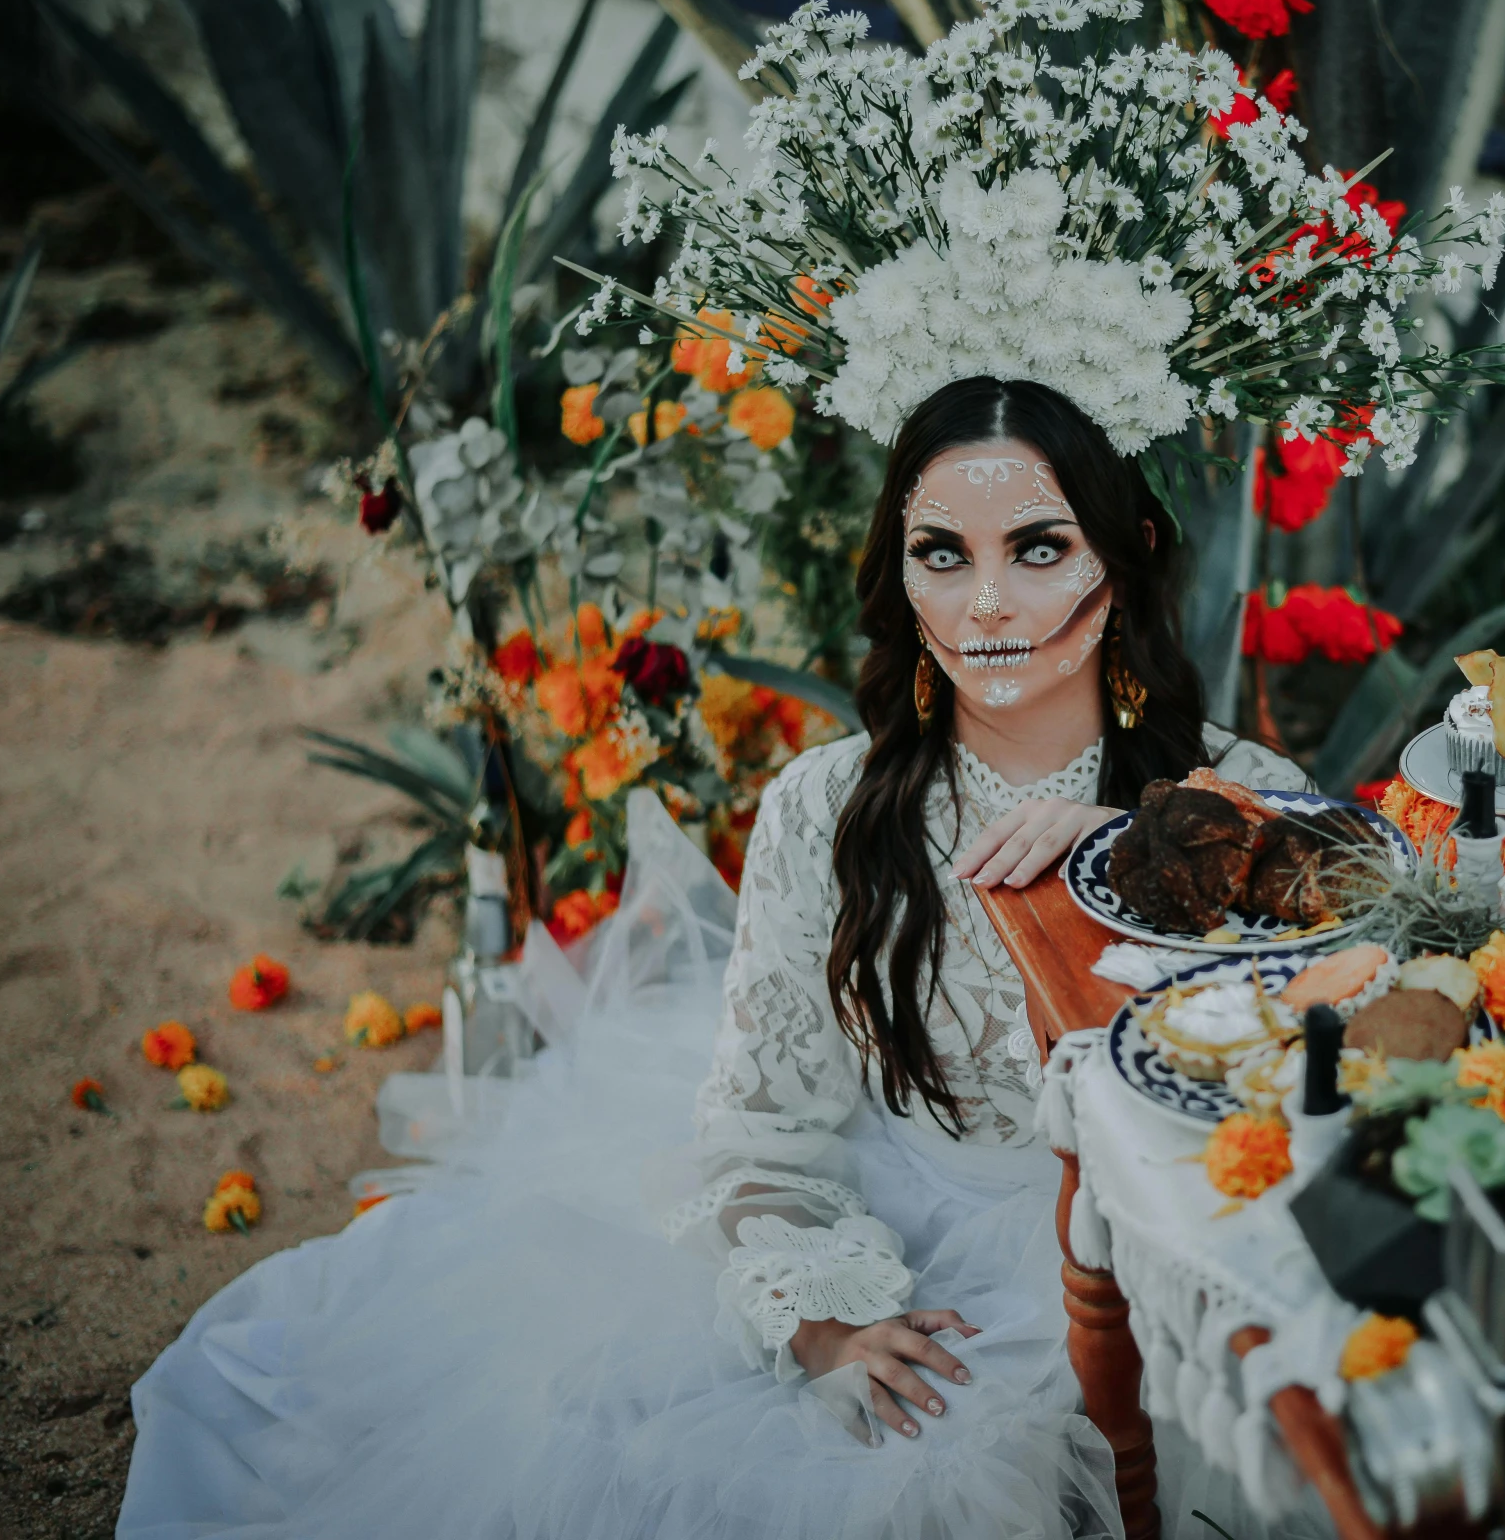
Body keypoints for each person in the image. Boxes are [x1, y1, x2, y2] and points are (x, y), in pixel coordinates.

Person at [117, 376, 1311, 1539]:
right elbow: (759, 1130)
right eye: (943, 552)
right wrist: (825, 1326)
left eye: (1040, 547)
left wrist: (1139, 842)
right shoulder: (825, 809)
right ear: (898, 571)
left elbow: (1315, 1067)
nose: (988, 600)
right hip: (915, 1247)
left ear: (1131, 549)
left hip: (1174, 1262)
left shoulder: (1250, 801)